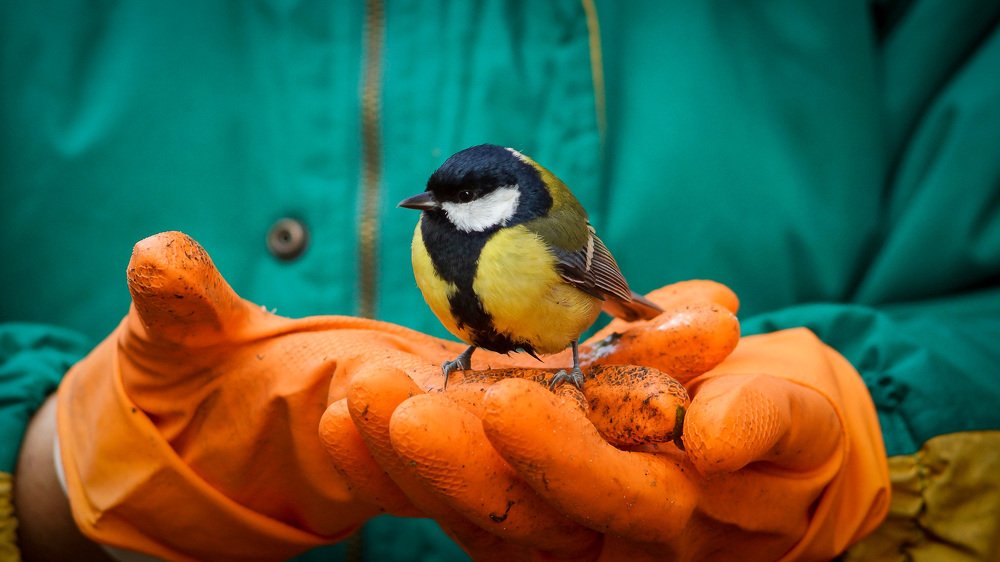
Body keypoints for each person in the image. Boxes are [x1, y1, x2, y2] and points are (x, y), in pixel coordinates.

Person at [2, 1, 998, 560]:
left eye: (454, 198)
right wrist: (47, 472)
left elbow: (594, 278)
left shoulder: (547, 232)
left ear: (505, 196)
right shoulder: (434, 234)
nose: (431, 211)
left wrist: (886, 434)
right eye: (430, 200)